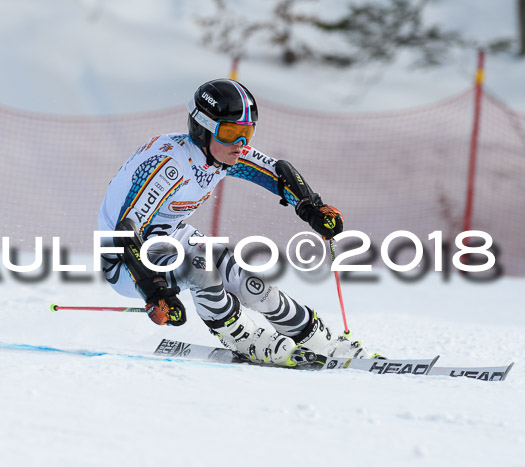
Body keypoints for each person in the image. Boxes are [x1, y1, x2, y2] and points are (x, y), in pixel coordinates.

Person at [98, 78, 379, 368]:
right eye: (231, 132)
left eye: (247, 132)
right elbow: (125, 233)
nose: (241, 144)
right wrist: (155, 290)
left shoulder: (219, 154)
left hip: (170, 237)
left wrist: (312, 207)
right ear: (203, 128)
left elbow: (276, 172)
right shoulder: (171, 166)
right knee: (201, 267)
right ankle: (243, 337)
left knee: (247, 282)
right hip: (124, 261)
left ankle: (315, 338)